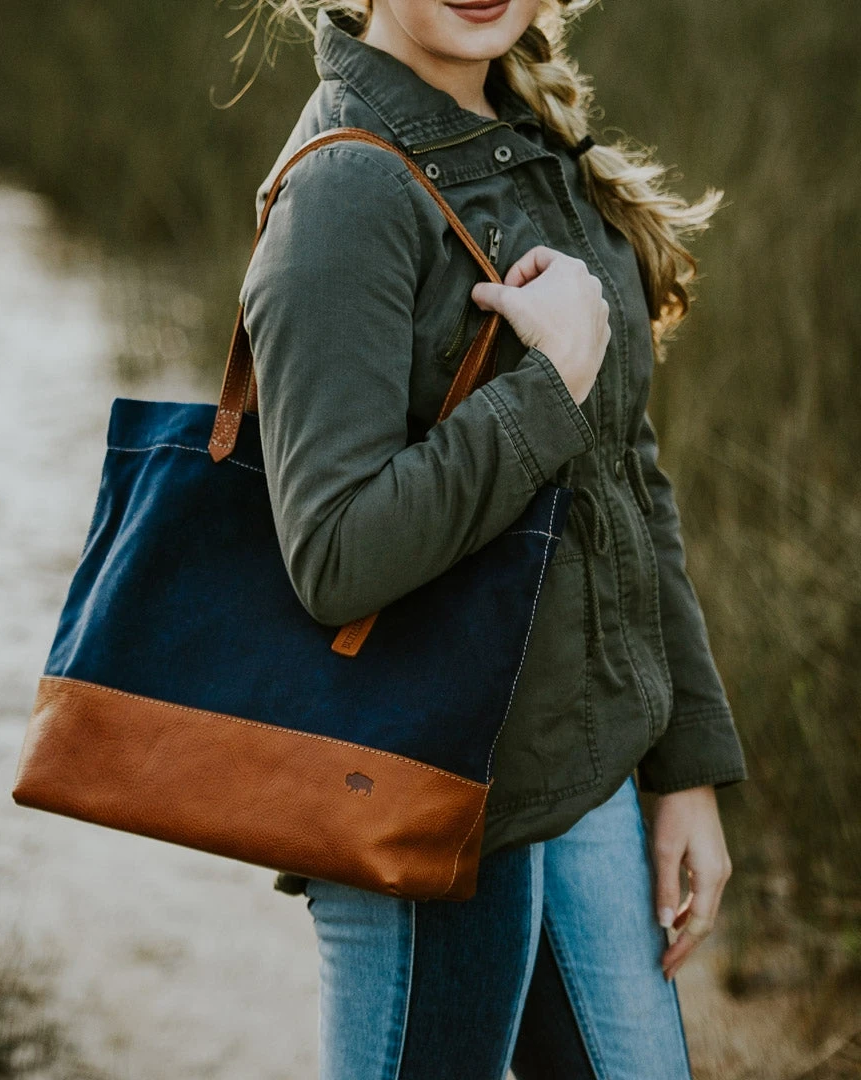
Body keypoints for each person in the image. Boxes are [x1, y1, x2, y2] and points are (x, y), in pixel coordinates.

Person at [235, 1, 749, 1076]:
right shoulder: (347, 188)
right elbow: (335, 556)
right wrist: (548, 387)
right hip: (415, 784)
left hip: (577, 767)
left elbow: (623, 477)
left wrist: (683, 767)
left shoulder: (526, 140)